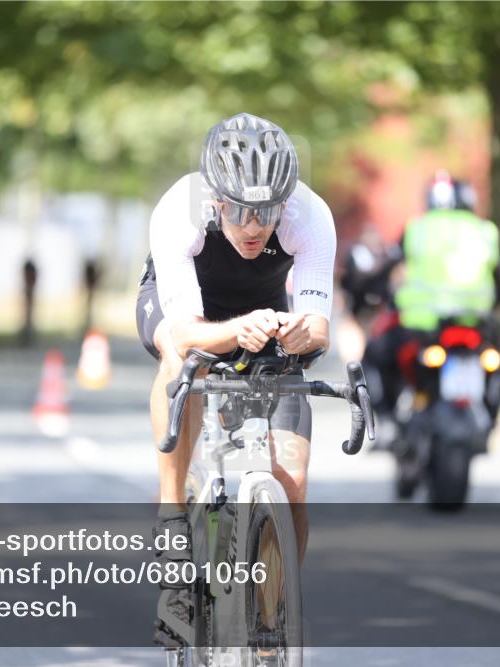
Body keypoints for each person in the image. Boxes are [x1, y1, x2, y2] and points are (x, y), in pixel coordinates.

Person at [136, 112, 336, 582]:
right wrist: (236, 330)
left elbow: (318, 328)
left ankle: (276, 606)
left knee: (293, 484)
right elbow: (186, 334)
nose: (253, 227)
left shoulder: (309, 215)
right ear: (215, 199)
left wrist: (301, 334)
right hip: (184, 308)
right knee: (183, 359)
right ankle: (172, 513)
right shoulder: (180, 210)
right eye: (240, 211)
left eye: (267, 212)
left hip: (263, 306)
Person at [363, 171, 500, 418]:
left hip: (421, 324)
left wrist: (373, 288)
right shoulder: (485, 231)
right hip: (476, 322)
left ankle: (385, 419)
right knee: (499, 365)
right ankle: (489, 413)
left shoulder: (416, 230)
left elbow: (386, 266)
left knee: (375, 355)